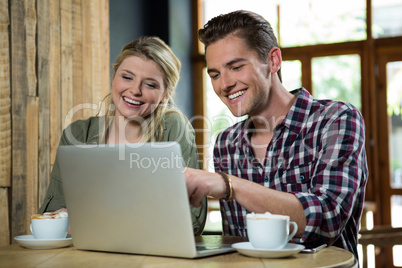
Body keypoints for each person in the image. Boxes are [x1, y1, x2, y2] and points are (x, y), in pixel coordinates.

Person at [184, 10, 368, 257]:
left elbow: (328, 219)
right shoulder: (226, 143)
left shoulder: (334, 120)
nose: (224, 84)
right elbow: (238, 244)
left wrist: (229, 185)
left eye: (236, 67)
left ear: (273, 61)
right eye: (215, 74)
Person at [38, 36, 207, 235]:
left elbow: (192, 220)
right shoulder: (77, 134)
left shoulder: (175, 128)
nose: (135, 90)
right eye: (127, 77)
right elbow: (52, 215)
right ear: (113, 77)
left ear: (166, 94)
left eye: (150, 85)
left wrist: (88, 220)